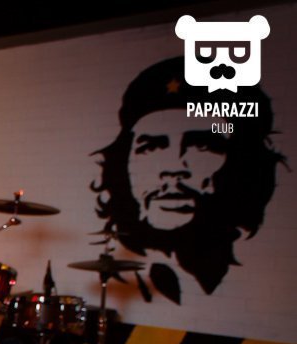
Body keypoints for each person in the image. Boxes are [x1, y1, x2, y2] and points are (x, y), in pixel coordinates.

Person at [92, 56, 284, 303]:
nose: (173, 168)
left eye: (202, 145)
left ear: (244, 166)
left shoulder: (268, 276)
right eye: (152, 147)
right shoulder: (128, 277)